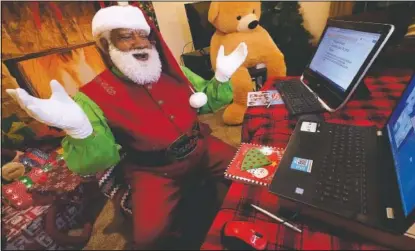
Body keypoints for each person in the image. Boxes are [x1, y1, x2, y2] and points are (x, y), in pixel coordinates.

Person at [6, 4, 248, 249]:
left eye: (143, 35)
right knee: (148, 238)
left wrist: (221, 78)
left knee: (252, 171)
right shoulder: (92, 96)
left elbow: (206, 103)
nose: (139, 42)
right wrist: (81, 131)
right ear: (105, 45)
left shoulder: (174, 71)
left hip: (203, 148)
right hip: (155, 171)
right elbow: (93, 164)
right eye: (126, 36)